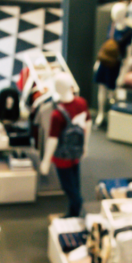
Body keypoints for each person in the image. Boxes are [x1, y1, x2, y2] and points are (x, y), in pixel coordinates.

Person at [41, 74, 90, 218]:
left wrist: (45, 161)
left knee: (68, 187)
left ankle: (78, 206)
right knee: (75, 183)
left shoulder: (57, 113)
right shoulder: (81, 102)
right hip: (76, 152)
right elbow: (88, 124)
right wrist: (85, 146)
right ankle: (73, 213)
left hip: (62, 156)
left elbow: (53, 139)